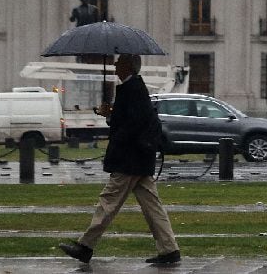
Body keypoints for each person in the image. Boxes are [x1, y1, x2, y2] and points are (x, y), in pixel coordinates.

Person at [59, 54, 181, 265]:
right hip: (139, 159)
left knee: (108, 201)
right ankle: (169, 249)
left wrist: (116, 134)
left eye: (119, 62)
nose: (114, 64)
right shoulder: (133, 87)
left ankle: (85, 246)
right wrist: (110, 114)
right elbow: (131, 119)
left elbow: (133, 124)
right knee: (153, 206)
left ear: (128, 66)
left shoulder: (132, 89)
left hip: (129, 159)